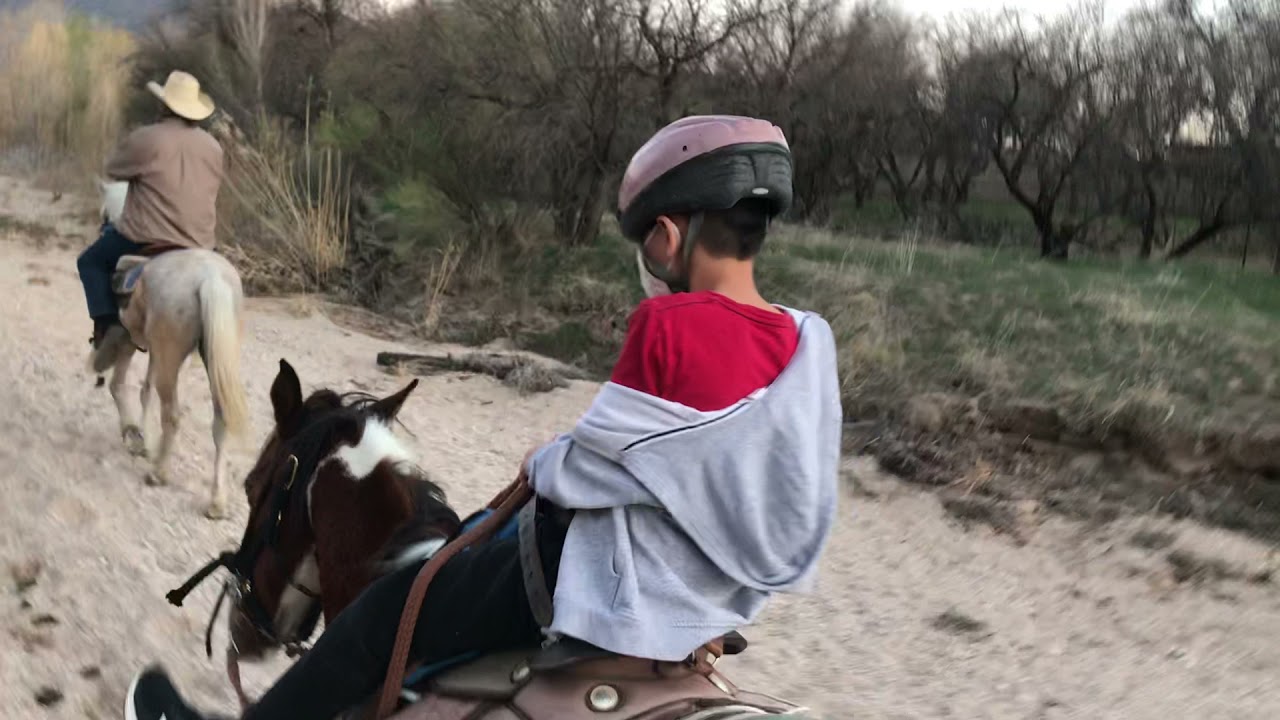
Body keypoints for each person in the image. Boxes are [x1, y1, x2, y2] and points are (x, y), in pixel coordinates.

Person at [123, 115, 842, 720]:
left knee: (378, 619)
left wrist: (547, 459)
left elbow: (593, 468)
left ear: (664, 237)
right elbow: (709, 465)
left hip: (593, 573)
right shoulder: (808, 340)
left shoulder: (668, 324)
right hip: (714, 592)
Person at [78, 70, 224, 373]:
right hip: (201, 244)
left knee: (90, 262)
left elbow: (113, 169)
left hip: (146, 238)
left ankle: (106, 326)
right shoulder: (214, 147)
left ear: (164, 105)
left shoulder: (147, 138)